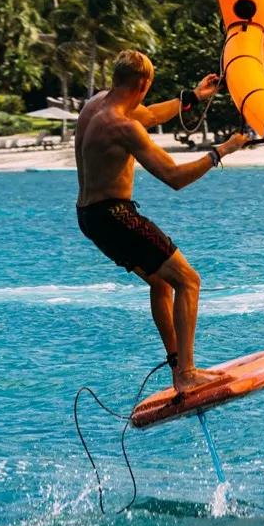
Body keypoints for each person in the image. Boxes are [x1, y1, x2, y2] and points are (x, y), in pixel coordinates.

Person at [74, 50, 248, 394]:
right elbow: (174, 177)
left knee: (161, 283)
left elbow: (152, 114)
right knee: (188, 281)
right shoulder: (123, 127)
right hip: (115, 216)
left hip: (89, 216)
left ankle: (178, 366)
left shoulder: (96, 105)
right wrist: (221, 151)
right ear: (142, 84)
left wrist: (194, 97)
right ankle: (187, 374)